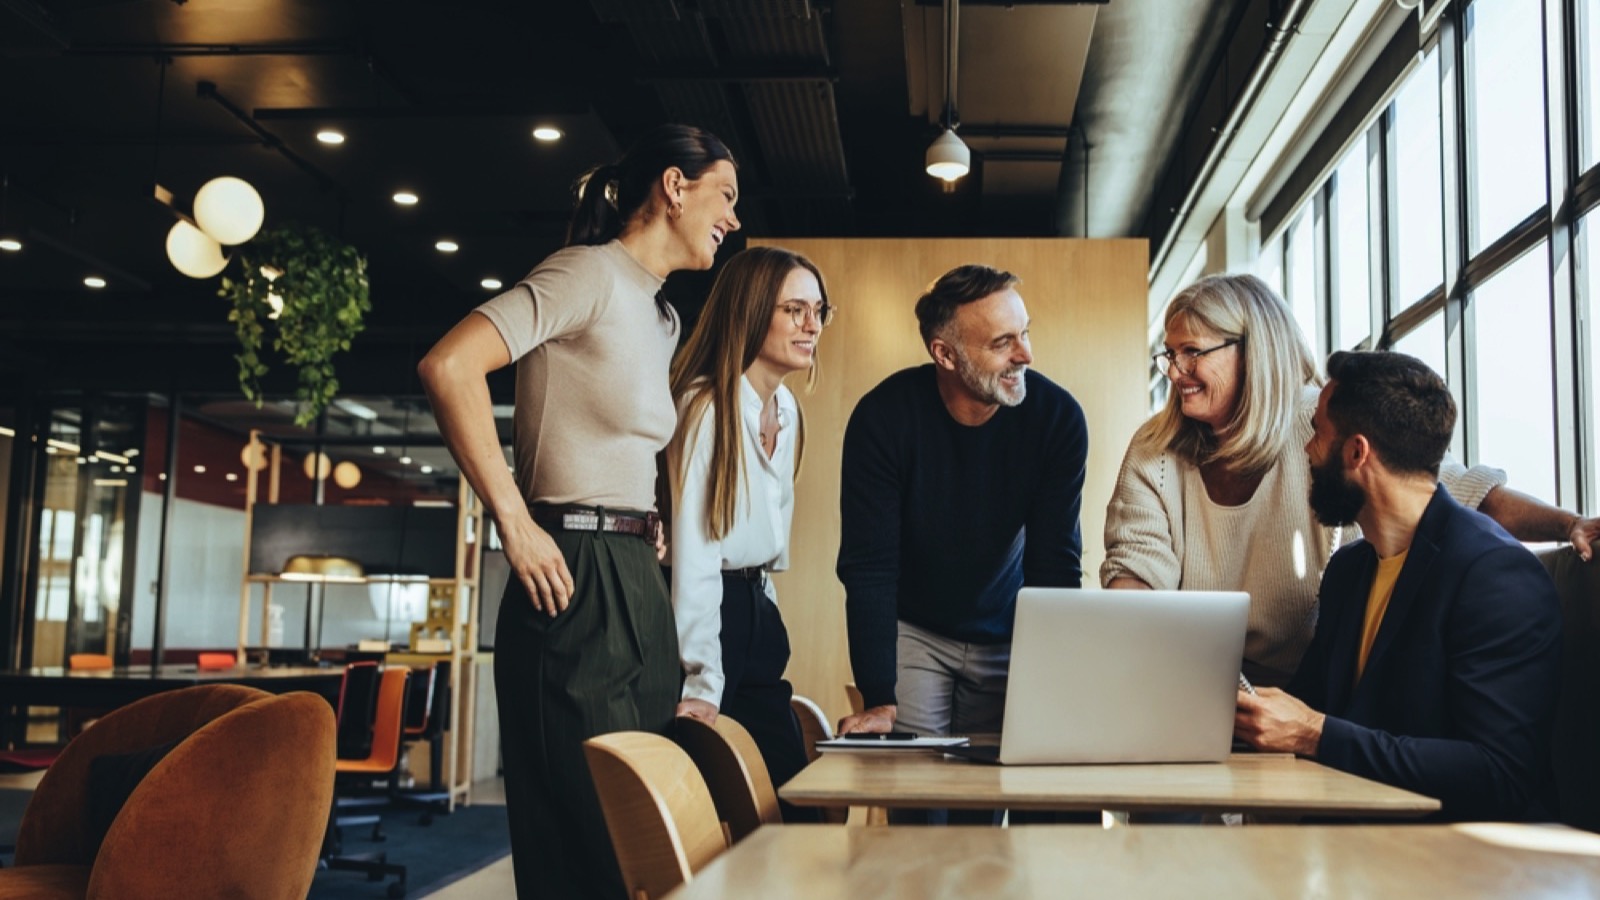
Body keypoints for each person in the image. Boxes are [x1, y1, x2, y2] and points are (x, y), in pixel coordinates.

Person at [416, 124, 740, 899]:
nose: (732, 217)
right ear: (674, 185)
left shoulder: (661, 316)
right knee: (586, 841)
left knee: (643, 833)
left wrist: (640, 513)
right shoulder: (585, 274)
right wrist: (515, 522)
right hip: (570, 574)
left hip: (633, 575)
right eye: (725, 196)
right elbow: (449, 366)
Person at [1103, 273, 1596, 687]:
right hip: (1191, 680)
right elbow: (1136, 577)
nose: (1175, 371)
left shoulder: (1318, 424)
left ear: (1253, 352)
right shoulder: (1156, 449)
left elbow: (1447, 492)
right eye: (1169, 354)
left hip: (1310, 689)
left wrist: (1568, 524)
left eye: (1191, 352)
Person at [1234, 350, 1561, 821]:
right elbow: (1307, 708)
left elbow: (1500, 773)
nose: (1307, 450)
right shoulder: (1349, 571)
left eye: (1318, 435)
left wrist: (1314, 733)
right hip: (1359, 846)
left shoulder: (1497, 576)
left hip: (1474, 866)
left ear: (1356, 452)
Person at [835, 264, 1089, 823]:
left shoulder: (1058, 419)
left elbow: (1055, 562)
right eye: (1003, 343)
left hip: (1009, 629)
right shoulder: (884, 418)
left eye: (1025, 332)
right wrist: (880, 695)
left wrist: (1058, 679)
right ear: (945, 354)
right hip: (917, 632)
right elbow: (870, 566)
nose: (1025, 354)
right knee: (920, 810)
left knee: (987, 808)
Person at [665, 246, 830, 816]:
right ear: (752, 311)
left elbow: (769, 542)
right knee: (709, 806)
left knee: (788, 800)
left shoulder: (785, 408)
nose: (812, 325)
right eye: (795, 310)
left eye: (818, 310)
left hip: (756, 609)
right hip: (710, 617)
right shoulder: (705, 406)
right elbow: (695, 554)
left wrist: (768, 613)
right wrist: (704, 681)